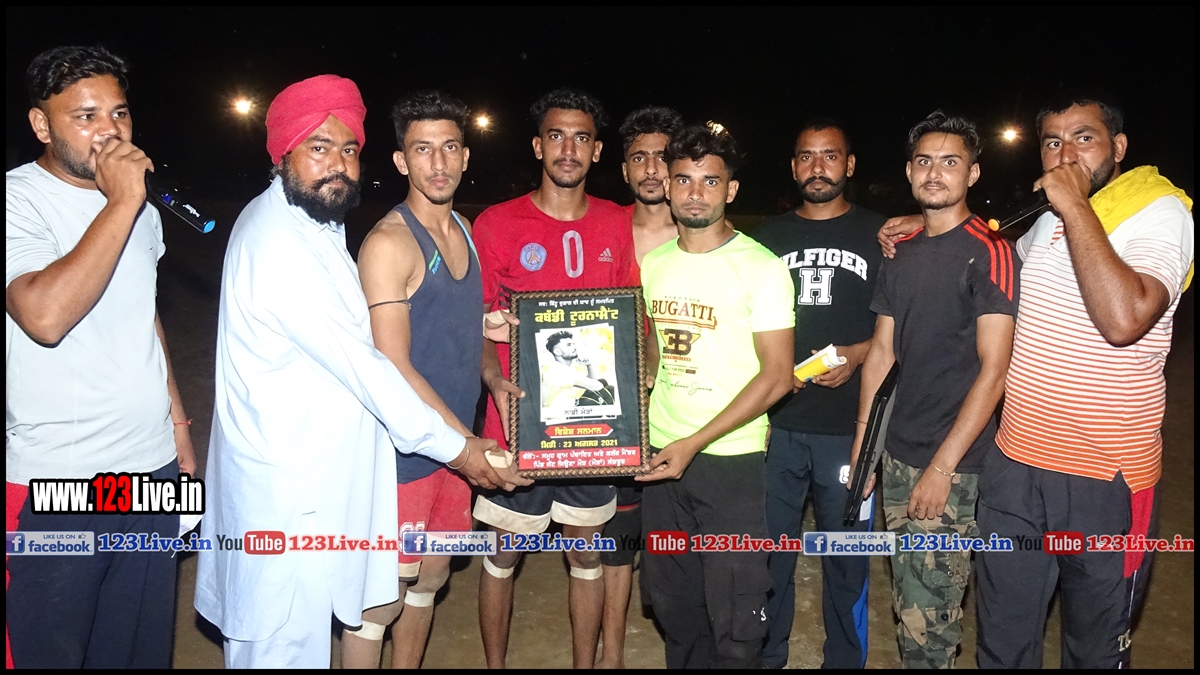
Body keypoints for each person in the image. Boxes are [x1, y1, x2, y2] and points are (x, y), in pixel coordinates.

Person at [194, 75, 510, 669]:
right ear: (282, 153)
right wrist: (463, 450)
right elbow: (370, 367)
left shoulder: (314, 223)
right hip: (288, 499)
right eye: (318, 148)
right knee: (282, 647)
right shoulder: (280, 244)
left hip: (318, 483)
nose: (337, 164)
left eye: (348, 149)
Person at [876, 94, 1194, 669]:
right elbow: (985, 253)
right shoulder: (1043, 222)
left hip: (1105, 480)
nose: (1065, 153)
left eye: (1084, 137)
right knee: (1003, 641)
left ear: (1119, 147)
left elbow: (1125, 320)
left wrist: (1074, 205)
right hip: (1015, 470)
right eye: (1052, 141)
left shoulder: (1159, 210)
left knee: (1094, 646)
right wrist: (928, 223)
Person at [5, 45, 193, 669]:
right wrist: (119, 204)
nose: (109, 131)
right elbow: (44, 316)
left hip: (152, 470)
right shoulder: (18, 200)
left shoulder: (138, 207)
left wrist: (178, 427)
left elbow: (145, 316)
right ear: (42, 125)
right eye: (85, 116)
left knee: (138, 649)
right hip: (60, 478)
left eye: (119, 113)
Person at [342, 90, 529, 669]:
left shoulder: (465, 228)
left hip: (449, 450)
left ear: (466, 156)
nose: (439, 162)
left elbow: (443, 318)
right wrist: (466, 445)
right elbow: (393, 363)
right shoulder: (388, 244)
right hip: (403, 454)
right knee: (380, 602)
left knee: (429, 579)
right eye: (422, 149)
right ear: (401, 161)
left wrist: (485, 326)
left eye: (450, 147)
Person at [472, 88, 637, 669]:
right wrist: (492, 379)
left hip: (592, 430)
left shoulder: (616, 222)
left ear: (597, 151)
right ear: (538, 145)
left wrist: (633, 402)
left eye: (582, 137)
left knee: (586, 556)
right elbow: (478, 326)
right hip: (517, 425)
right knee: (503, 556)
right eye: (557, 136)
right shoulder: (496, 223)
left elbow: (629, 322)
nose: (569, 149)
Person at [851, 111, 1017, 669]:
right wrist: (865, 447)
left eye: (950, 162)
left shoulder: (991, 252)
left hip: (952, 463)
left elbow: (994, 371)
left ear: (972, 173)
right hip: (897, 451)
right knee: (909, 603)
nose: (935, 173)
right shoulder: (900, 250)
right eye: (924, 161)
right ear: (908, 171)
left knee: (930, 623)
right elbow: (882, 353)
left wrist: (943, 469)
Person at [636, 124, 796, 668]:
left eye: (710, 181)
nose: (695, 193)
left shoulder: (762, 268)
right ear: (667, 185)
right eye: (684, 179)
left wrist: (695, 442)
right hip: (661, 456)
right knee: (675, 606)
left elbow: (777, 376)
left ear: (731, 189)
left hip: (730, 462)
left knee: (735, 617)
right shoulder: (655, 264)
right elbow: (654, 350)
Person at [750, 119, 883, 669]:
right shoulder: (765, 238)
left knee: (847, 562)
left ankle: (844, 661)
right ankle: (767, 657)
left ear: (849, 164)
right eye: (807, 156)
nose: (818, 166)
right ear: (793, 166)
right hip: (775, 427)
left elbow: (905, 328)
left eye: (830, 155)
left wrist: (857, 354)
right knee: (769, 559)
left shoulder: (882, 236)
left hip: (849, 431)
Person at [595, 105, 683, 669]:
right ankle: (613, 654)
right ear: (624, 168)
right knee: (619, 535)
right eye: (639, 158)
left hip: (686, 412)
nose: (652, 169)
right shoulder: (604, 228)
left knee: (677, 540)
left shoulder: (704, 228)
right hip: (621, 409)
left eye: (662, 157)